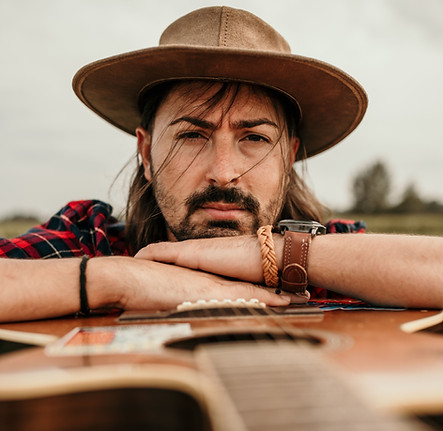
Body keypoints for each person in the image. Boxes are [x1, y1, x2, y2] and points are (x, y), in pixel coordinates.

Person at [0, 6, 442, 323]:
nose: (225, 171)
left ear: (288, 158)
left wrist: (272, 255)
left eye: (254, 138)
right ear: (146, 154)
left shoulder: (335, 260)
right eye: (192, 135)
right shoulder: (91, 243)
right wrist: (115, 279)